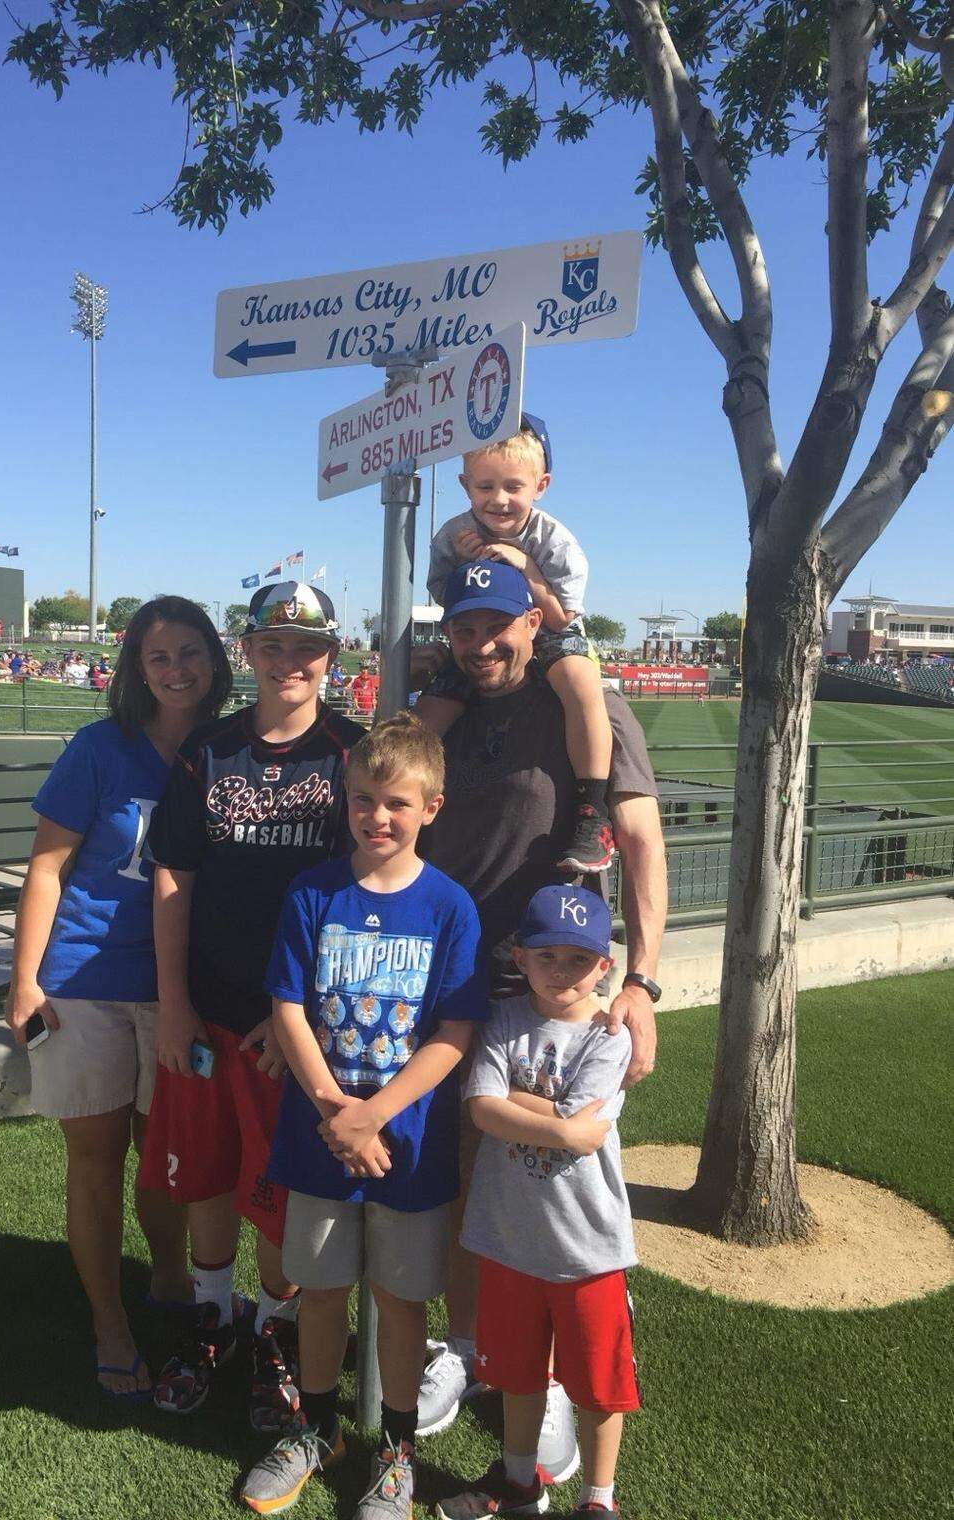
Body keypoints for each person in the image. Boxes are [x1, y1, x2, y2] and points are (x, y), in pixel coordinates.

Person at [415, 561, 666, 1481]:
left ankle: (553, 1374)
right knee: (461, 1176)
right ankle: (471, 1346)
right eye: (463, 627)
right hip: (447, 979)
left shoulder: (579, 698)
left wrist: (642, 980)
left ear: (534, 620)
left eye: (498, 626)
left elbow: (639, 841)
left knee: (549, 1176)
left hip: (550, 990)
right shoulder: (444, 703)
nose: (482, 645)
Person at [240, 714, 487, 1520]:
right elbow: (286, 1004)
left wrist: (374, 1113)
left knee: (401, 1300)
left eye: (396, 803)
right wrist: (334, 1111)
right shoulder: (313, 892)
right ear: (344, 800)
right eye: (362, 800)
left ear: (431, 808)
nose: (377, 817)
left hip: (407, 1146)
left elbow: (453, 1035)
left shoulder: (451, 908)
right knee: (318, 1291)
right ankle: (316, 1430)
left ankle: (396, 1451)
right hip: (319, 1138)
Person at [138, 581, 364, 1432]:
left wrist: (300, 1009)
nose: (290, 660)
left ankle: (272, 1330)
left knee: (275, 1187)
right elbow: (174, 873)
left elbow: (361, 886)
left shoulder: (351, 750)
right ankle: (211, 1318)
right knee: (203, 1171)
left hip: (292, 1026)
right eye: (273, 645)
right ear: (251, 652)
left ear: (330, 656)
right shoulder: (212, 747)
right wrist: (172, 1000)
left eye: (307, 647)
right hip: (210, 1007)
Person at [4, 597, 233, 1400]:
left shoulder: (226, 752)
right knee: (96, 1163)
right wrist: (25, 977)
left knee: (168, 1162)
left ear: (215, 658)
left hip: (180, 990)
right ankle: (110, 1323)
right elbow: (46, 869)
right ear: (137, 670)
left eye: (190, 652)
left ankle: (170, 1283)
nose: (177, 670)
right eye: (158, 657)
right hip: (86, 986)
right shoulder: (100, 749)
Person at [437, 885, 638, 1520]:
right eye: (546, 957)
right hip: (508, 1239)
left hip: (587, 1246)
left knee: (599, 1387)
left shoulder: (612, 1037)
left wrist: (512, 1106)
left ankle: (597, 1500)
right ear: (519, 958)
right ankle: (520, 1483)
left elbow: (582, 1128)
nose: (562, 972)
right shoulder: (502, 1021)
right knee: (516, 1376)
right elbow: (485, 1108)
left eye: (579, 960)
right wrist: (558, 1121)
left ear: (604, 966)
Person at [418, 417, 615, 874]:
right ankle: (396, 801)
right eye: (485, 486)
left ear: (540, 485)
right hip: (485, 636)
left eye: (513, 486)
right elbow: (446, 600)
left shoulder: (554, 540)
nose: (499, 499)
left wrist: (526, 568)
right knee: (430, 710)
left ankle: (593, 812)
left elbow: (562, 616)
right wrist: (467, 569)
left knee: (580, 680)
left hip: (548, 632)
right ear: (466, 485)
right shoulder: (453, 535)